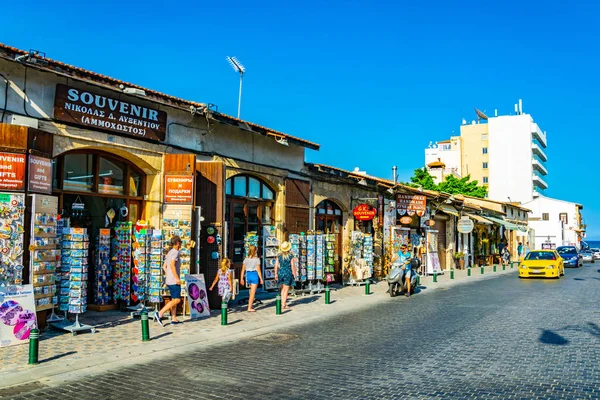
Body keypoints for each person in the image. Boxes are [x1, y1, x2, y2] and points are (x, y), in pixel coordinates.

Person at [155, 236, 182, 326]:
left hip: (169, 280)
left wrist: (168, 274)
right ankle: (160, 313)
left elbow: (164, 266)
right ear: (178, 243)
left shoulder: (170, 252)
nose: (181, 244)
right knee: (177, 300)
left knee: (173, 299)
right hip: (174, 280)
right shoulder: (175, 252)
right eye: (181, 242)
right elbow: (172, 265)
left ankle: (174, 319)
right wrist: (176, 278)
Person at [274, 241, 297, 310]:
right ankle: (283, 304)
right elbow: (293, 266)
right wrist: (294, 274)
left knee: (282, 288)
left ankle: (282, 302)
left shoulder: (279, 256)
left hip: (281, 272)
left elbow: (276, 265)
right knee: (286, 289)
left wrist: (275, 274)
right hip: (288, 273)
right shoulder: (291, 256)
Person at [240, 245, 263, 312]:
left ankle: (250, 305)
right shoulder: (257, 259)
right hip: (254, 274)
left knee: (251, 291)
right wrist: (261, 278)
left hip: (248, 275)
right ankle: (249, 307)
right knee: (253, 293)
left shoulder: (246, 259)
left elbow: (243, 269)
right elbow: (258, 270)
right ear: (255, 251)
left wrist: (241, 279)